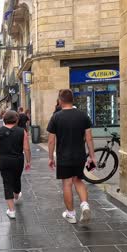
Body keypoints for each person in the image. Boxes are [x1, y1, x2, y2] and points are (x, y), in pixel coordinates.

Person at [47, 89, 96, 224]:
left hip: (64, 157)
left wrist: (50, 157)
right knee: (78, 180)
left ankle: (71, 214)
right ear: (72, 100)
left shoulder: (56, 117)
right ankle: (85, 205)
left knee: (67, 184)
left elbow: (51, 141)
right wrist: (92, 156)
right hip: (79, 156)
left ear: (61, 101)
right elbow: (89, 138)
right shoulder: (83, 116)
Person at [0, 111, 31, 219]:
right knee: (17, 178)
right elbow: (26, 148)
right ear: (16, 119)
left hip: (5, 160)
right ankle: (17, 195)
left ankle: (11, 210)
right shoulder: (22, 131)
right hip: (18, 160)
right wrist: (28, 161)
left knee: (7, 183)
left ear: (4, 120)